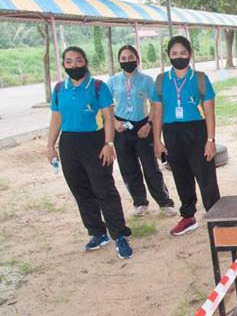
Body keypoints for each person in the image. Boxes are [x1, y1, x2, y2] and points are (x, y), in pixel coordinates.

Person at [46, 46, 133, 259]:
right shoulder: (59, 89)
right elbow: (56, 118)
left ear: (85, 62)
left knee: (104, 189)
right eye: (68, 62)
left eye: (78, 60)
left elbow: (108, 118)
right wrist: (50, 146)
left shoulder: (97, 86)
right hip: (69, 143)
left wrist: (108, 144)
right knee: (81, 190)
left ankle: (119, 235)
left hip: (95, 142)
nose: (74, 65)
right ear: (64, 64)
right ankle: (97, 232)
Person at [151, 36, 220, 236]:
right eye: (174, 54)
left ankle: (216, 216)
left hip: (197, 131)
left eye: (183, 53)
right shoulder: (161, 81)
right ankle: (188, 217)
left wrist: (210, 140)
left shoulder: (200, 79)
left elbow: (209, 112)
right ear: (168, 56)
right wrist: (157, 141)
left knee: (206, 176)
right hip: (171, 132)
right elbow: (157, 113)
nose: (178, 57)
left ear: (190, 54)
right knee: (181, 176)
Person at [108, 45, 175, 217]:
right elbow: (106, 107)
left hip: (143, 127)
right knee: (128, 167)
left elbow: (155, 105)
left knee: (151, 167)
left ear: (137, 59)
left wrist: (149, 125)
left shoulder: (147, 80)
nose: (127, 61)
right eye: (123, 58)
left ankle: (164, 202)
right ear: (119, 61)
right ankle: (139, 202)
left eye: (131, 57)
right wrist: (115, 122)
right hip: (121, 128)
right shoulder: (113, 81)